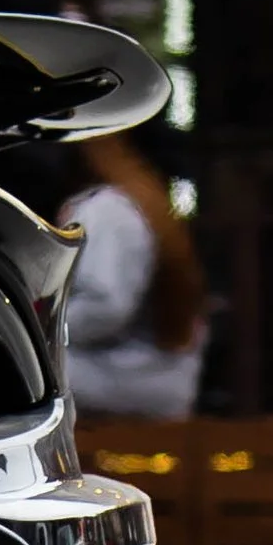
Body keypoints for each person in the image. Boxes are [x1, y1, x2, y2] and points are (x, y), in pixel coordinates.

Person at [58, 124, 209, 419]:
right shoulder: (151, 202)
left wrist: (41, 329)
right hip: (158, 375)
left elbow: (106, 308)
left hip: (128, 379)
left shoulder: (111, 209)